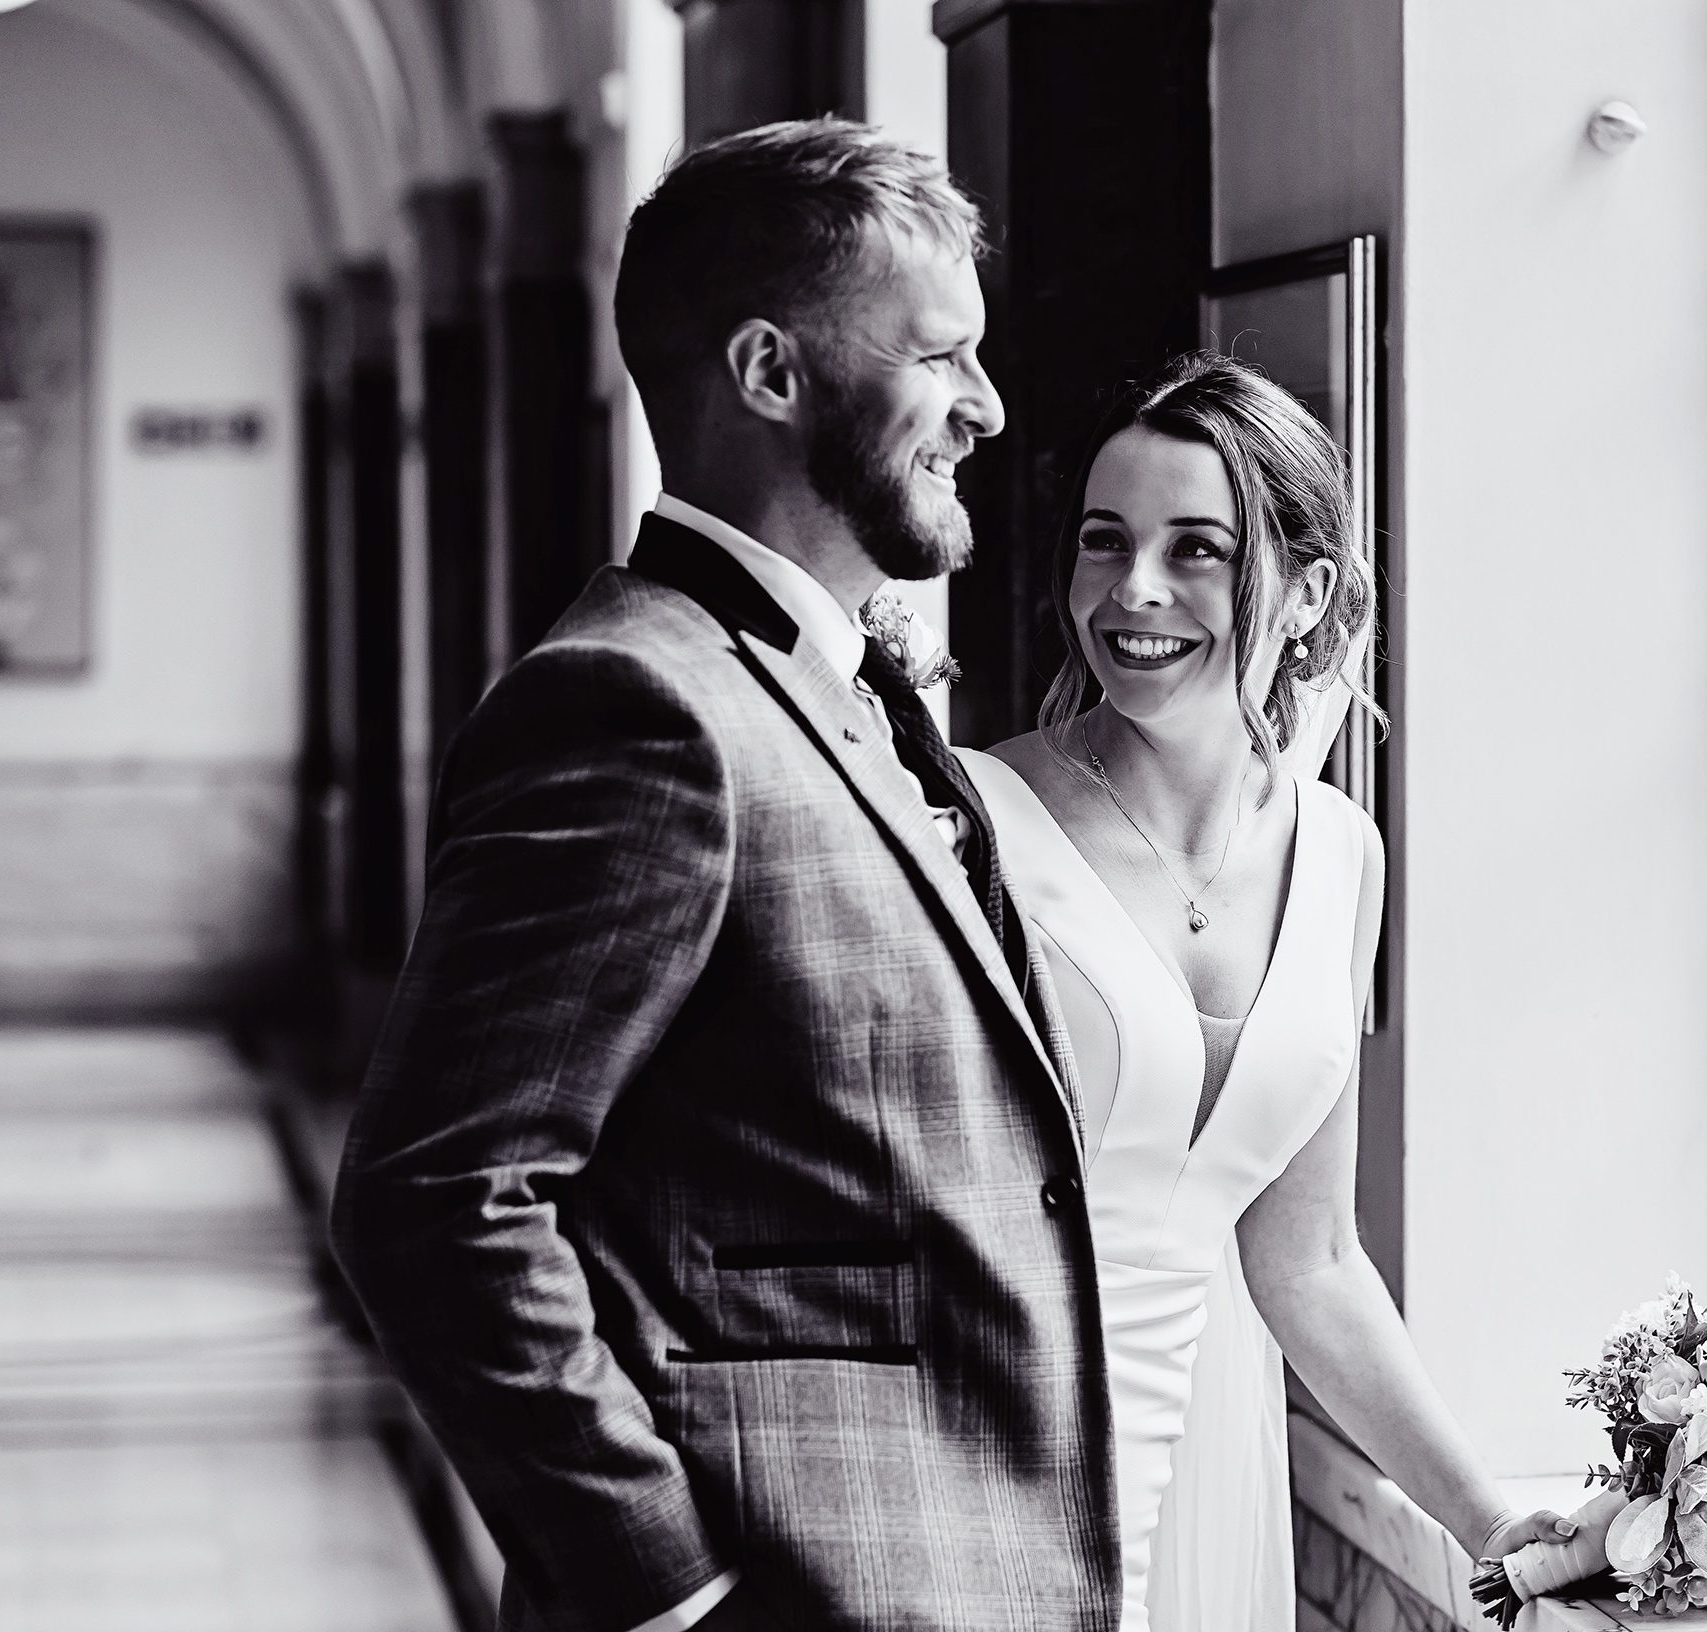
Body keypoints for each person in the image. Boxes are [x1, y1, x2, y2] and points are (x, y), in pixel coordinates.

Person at [328, 121, 1118, 1632]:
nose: (989, 408)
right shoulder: (634, 707)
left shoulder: (838, 682)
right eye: (939, 358)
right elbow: (436, 1195)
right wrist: (665, 1591)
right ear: (771, 373)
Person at [957, 353, 1569, 1631]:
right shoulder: (970, 824)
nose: (1133, 591)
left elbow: (1309, 1260)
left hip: (1214, 1469)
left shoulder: (1342, 854)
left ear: (1309, 594)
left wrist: (1494, 1525)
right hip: (991, 1458)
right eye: (1104, 542)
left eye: (1198, 551)